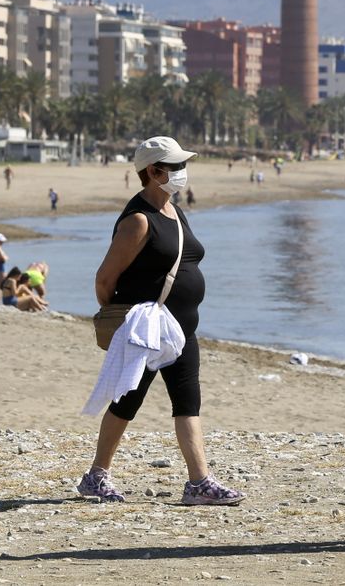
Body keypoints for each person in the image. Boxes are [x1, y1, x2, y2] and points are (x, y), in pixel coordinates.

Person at [77, 136, 244, 507]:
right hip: (148, 329)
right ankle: (96, 476)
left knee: (188, 402)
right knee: (127, 401)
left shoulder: (173, 210)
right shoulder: (138, 219)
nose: (182, 173)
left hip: (181, 330)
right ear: (153, 172)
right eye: (176, 167)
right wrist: (121, 319)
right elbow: (104, 280)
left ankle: (199, 483)